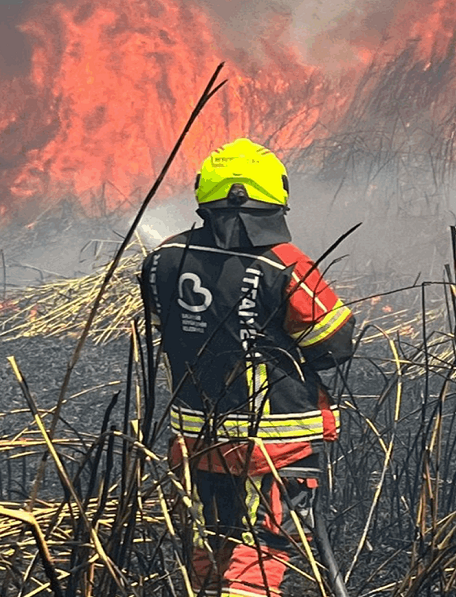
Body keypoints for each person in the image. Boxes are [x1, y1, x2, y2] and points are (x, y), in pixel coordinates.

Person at [140, 138, 355, 596]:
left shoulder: (162, 260)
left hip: (193, 435)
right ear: (277, 193)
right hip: (273, 443)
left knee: (207, 545)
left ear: (204, 191)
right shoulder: (285, 264)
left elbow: (166, 326)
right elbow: (333, 344)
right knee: (260, 549)